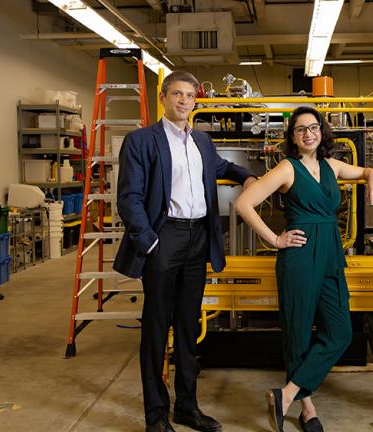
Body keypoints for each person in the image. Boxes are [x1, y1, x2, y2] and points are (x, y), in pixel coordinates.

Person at [113, 70, 256, 432]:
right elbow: (129, 198)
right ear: (163, 97)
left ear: (196, 101)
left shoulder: (202, 142)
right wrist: (150, 241)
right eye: (177, 94)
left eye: (189, 96)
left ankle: (187, 407)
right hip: (165, 238)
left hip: (197, 240)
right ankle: (156, 416)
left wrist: (248, 176)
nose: (183, 101)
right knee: (157, 330)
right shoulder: (141, 140)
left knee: (189, 328)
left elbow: (221, 166)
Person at [235, 106, 373, 432]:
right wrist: (275, 238)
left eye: (313, 127)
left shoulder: (332, 165)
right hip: (300, 255)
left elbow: (362, 172)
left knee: (340, 331)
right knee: (298, 332)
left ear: (322, 131)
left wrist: (372, 173)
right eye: (300, 129)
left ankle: (286, 394)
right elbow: (243, 203)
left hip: (330, 252)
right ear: (292, 136)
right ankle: (307, 408)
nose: (308, 134)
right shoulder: (287, 168)